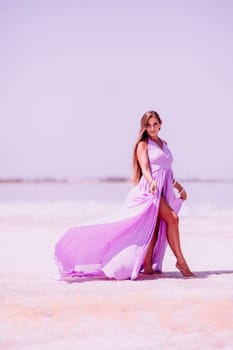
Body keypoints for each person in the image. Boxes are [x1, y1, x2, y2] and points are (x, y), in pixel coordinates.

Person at [55, 110, 194, 280]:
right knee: (173, 219)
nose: (152, 128)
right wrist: (150, 181)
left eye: (155, 124)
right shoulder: (143, 145)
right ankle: (181, 262)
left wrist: (179, 187)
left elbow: (167, 172)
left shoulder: (164, 144)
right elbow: (145, 168)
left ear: (160, 124)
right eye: (148, 125)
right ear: (144, 127)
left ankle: (148, 267)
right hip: (150, 191)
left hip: (164, 189)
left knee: (154, 230)